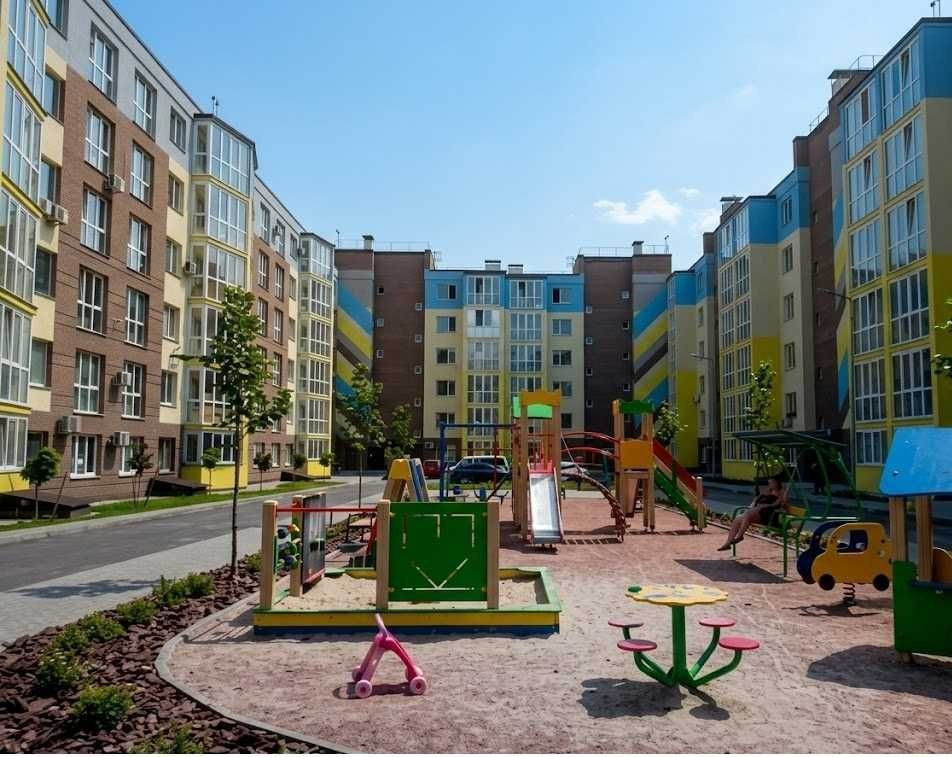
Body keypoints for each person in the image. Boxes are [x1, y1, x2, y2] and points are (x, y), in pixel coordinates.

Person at [717, 476, 788, 551]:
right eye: (769, 483)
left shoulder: (782, 492)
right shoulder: (767, 490)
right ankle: (727, 543)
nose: (770, 485)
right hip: (756, 512)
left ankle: (740, 536)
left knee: (747, 515)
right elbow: (757, 499)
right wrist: (752, 504)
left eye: (772, 483)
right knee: (737, 519)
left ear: (777, 483)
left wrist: (764, 506)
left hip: (768, 515)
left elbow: (776, 504)